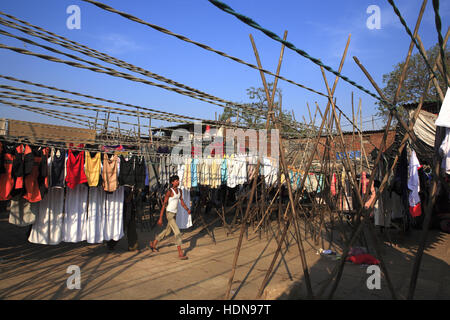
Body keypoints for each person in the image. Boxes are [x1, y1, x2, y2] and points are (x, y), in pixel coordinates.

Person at [150, 175, 190, 260]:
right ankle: (180, 253)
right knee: (177, 232)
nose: (178, 182)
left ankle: (154, 243)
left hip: (174, 214)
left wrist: (187, 209)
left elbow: (181, 202)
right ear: (172, 182)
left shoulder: (179, 191)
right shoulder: (169, 191)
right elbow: (164, 205)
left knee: (167, 232)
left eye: (178, 180)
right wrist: (160, 218)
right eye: (176, 181)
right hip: (169, 214)